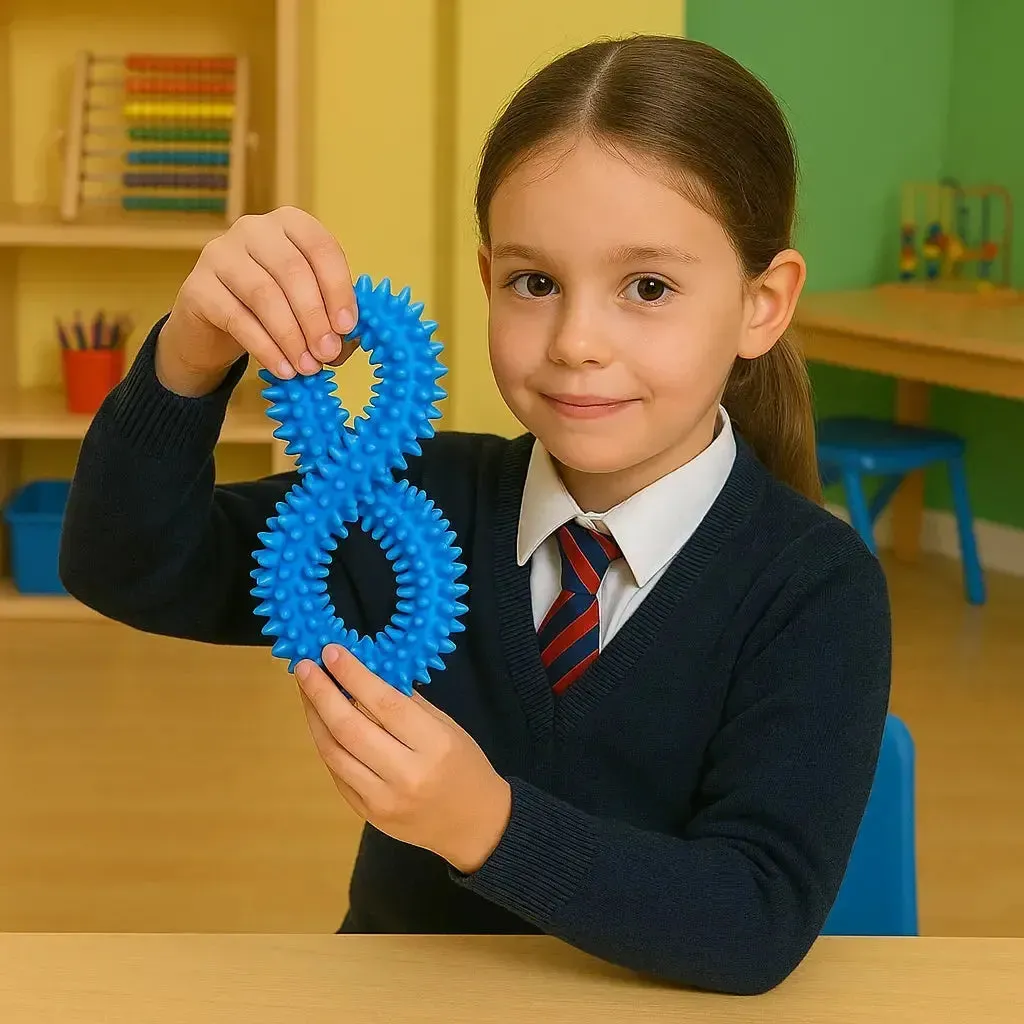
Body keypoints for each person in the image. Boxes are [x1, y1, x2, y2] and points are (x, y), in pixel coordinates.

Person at [59, 35, 891, 995]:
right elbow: (125, 564)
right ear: (489, 273)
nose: (576, 342)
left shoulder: (816, 588)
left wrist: (486, 826)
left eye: (648, 288)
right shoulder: (410, 498)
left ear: (763, 304)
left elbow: (755, 919)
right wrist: (191, 357)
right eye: (536, 283)